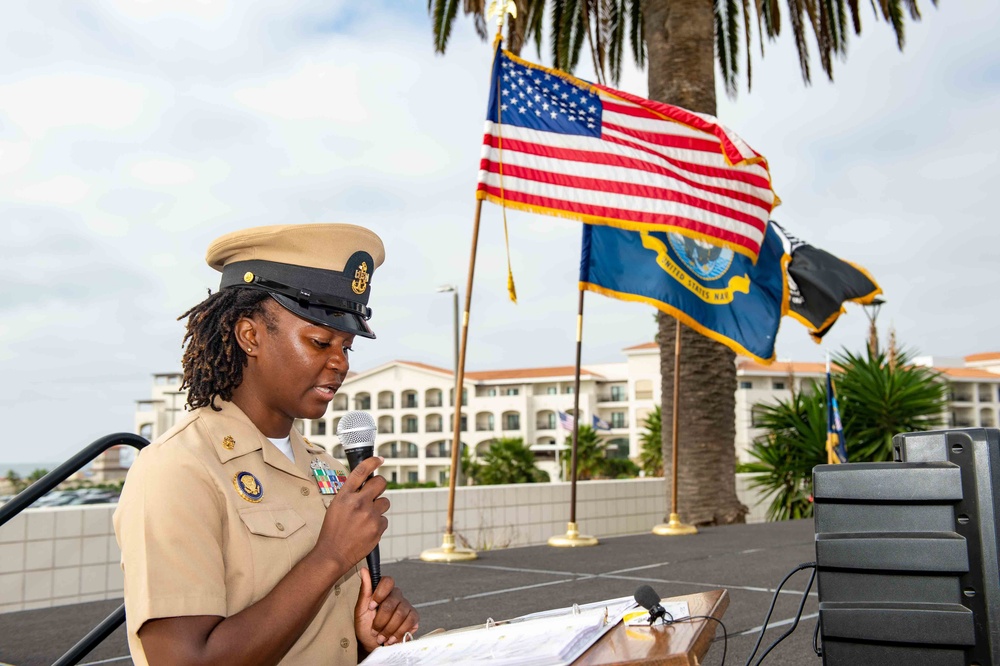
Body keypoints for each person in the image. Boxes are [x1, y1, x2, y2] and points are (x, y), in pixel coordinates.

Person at [114, 223, 418, 665]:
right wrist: (331, 556)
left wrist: (364, 637)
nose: (340, 363)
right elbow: (185, 660)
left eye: (347, 347)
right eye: (320, 342)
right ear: (250, 335)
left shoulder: (329, 469)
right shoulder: (179, 468)